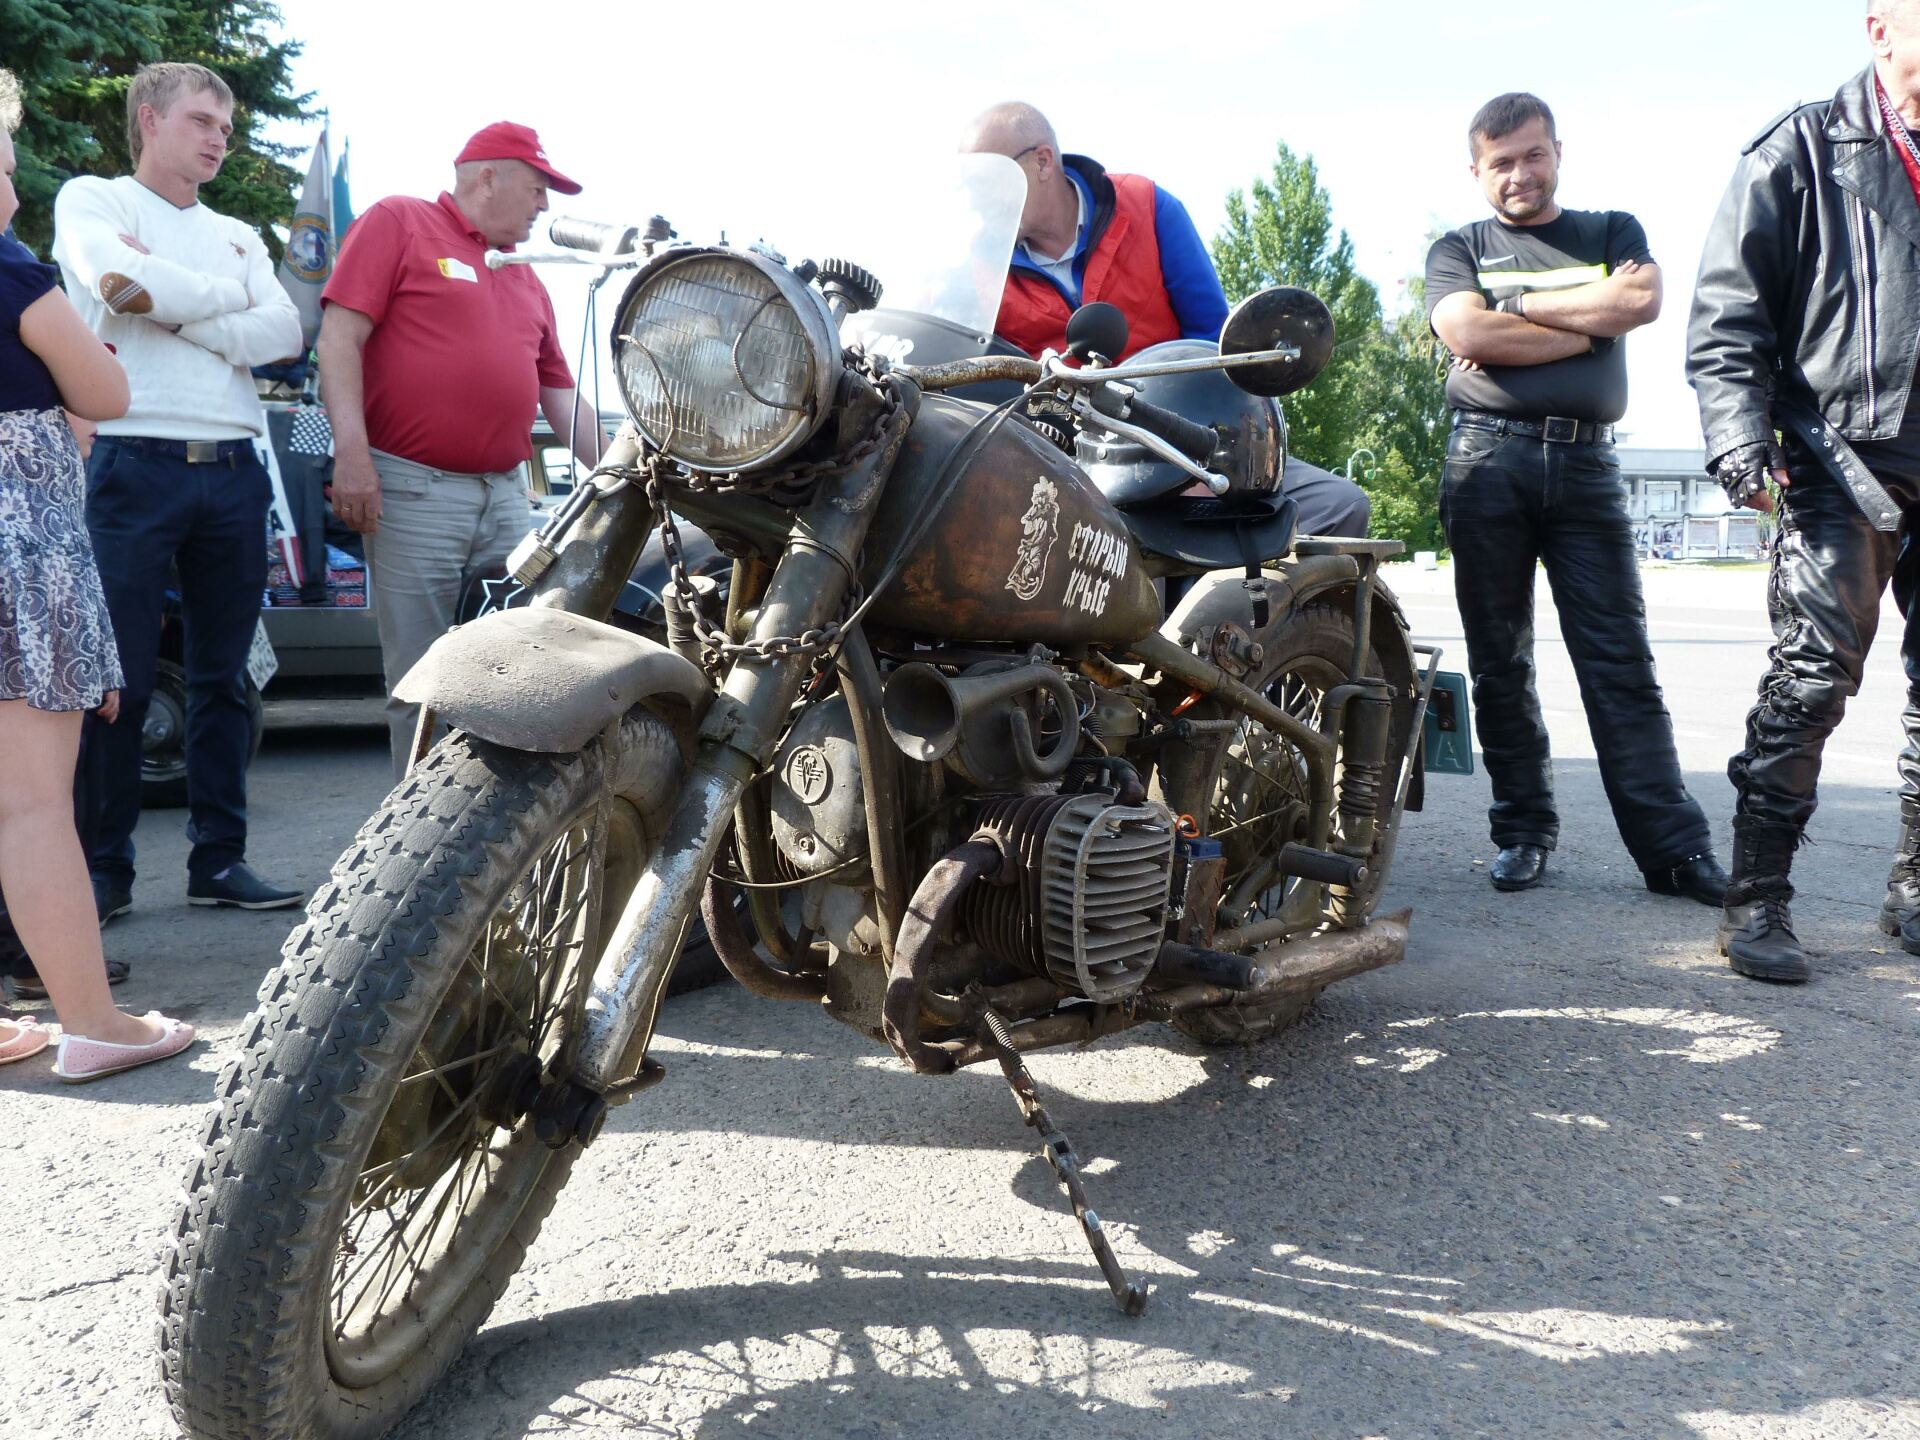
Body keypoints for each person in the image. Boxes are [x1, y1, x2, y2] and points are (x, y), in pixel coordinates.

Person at [1425, 92, 1728, 905]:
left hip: (1589, 466)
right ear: (1476, 171)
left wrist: (1516, 307)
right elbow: (1467, 333)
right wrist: (1589, 324)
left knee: (1619, 662)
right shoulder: (1458, 248)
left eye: (1533, 154)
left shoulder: (1611, 232)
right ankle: (1523, 832)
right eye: (1501, 162)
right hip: (1486, 463)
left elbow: (1640, 301)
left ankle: (1674, 852)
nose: (1520, 174)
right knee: (1500, 663)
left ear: (1557, 152)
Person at [1688, 2, 1920, 983]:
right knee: (1812, 679)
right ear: (1880, 29)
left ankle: (1914, 888)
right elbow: (1726, 317)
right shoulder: (1801, 149)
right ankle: (1756, 898)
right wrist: (1741, 440)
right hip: (1842, 456)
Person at [52, 61, 305, 922]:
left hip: (233, 467)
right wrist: (226, 304)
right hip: (130, 459)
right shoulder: (96, 200)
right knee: (117, 679)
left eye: (226, 128)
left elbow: (284, 330)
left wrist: (176, 306)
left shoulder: (237, 231)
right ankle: (104, 871)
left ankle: (220, 860)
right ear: (150, 119)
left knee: (224, 679)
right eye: (201, 121)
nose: (218, 139)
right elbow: (116, 285)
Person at [0, 70, 196, 1080]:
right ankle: (92, 1022)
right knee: (31, 803)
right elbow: (106, 388)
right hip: (16, 549)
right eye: (0, 170)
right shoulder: (11, 273)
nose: (13, 192)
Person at [316, 121, 608, 773]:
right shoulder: (400, 222)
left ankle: (488, 826)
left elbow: (561, 398)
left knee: (511, 678)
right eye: (538, 188)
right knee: (424, 683)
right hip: (414, 491)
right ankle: (419, 836)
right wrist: (352, 455)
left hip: (505, 499)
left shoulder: (525, 276)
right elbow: (338, 340)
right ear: (488, 178)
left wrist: (627, 472)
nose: (544, 206)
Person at [960, 101, 1370, 538]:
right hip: (1068, 462)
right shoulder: (977, 266)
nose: (978, 203)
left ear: (1042, 162)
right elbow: (965, 368)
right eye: (970, 188)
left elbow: (1214, 341)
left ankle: (1243, 583)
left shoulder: (1146, 206)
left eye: (989, 181)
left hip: (1186, 437)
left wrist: (1203, 459)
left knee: (1341, 506)